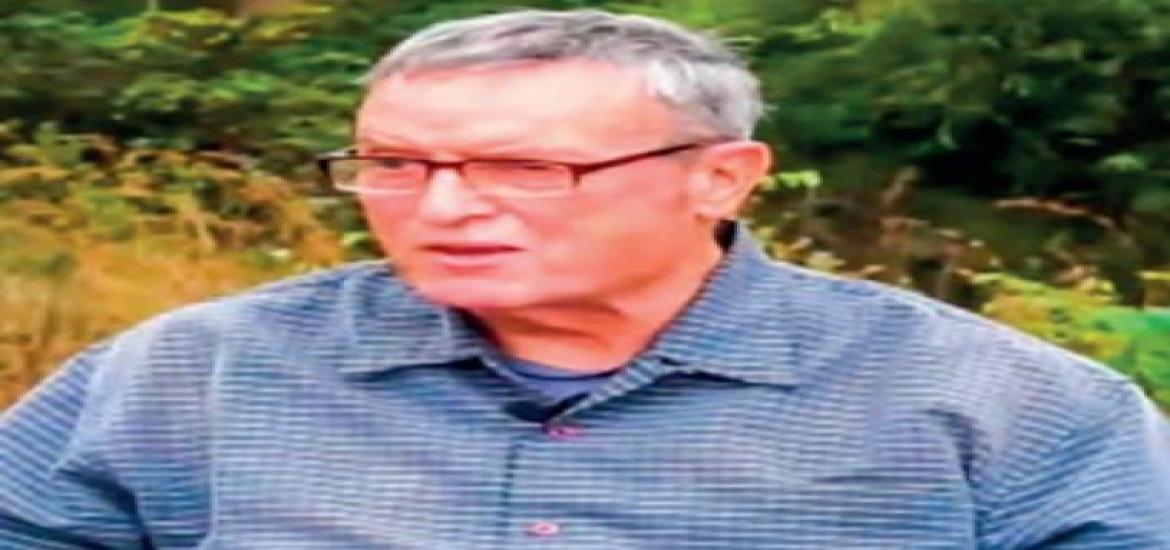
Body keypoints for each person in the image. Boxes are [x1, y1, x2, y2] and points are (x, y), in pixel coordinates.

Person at [1, 8, 1168, 549]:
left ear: (721, 177)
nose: (441, 209)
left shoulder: (998, 406)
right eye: (394, 166)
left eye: (526, 169)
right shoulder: (205, 369)